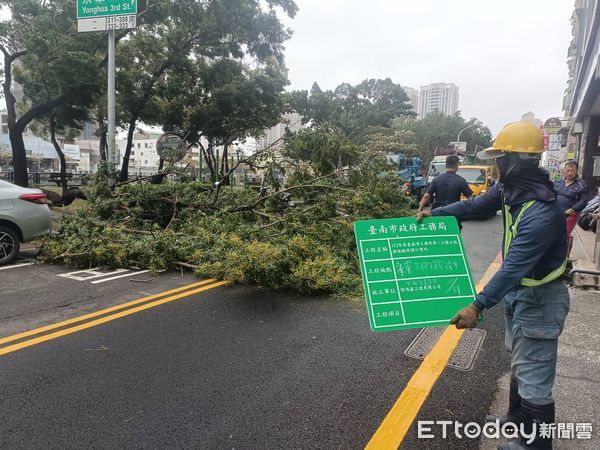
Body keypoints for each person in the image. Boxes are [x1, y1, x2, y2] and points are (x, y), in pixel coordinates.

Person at [417, 122, 569, 450]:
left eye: (500, 157)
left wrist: (478, 304)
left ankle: (533, 445)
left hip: (541, 299)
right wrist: (436, 214)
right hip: (522, 295)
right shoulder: (511, 190)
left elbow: (512, 267)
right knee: (519, 361)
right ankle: (516, 420)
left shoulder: (541, 212)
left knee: (534, 372)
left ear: (516, 160)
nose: (496, 163)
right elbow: (474, 206)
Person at [553, 161, 588, 256]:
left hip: (571, 213)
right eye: (567, 170)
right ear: (564, 170)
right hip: (555, 212)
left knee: (564, 233)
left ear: (576, 171)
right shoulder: (557, 182)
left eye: (572, 171)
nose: (569, 173)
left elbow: (584, 201)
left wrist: (573, 209)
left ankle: (564, 255)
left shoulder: (581, 184)